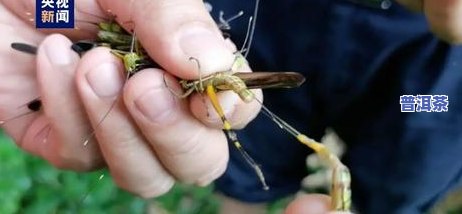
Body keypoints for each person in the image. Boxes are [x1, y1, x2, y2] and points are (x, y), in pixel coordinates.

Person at [0, 0, 460, 213]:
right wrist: (25, 6)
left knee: (412, 152)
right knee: (239, 150)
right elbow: (47, 9)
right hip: (275, 20)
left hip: (428, 77)